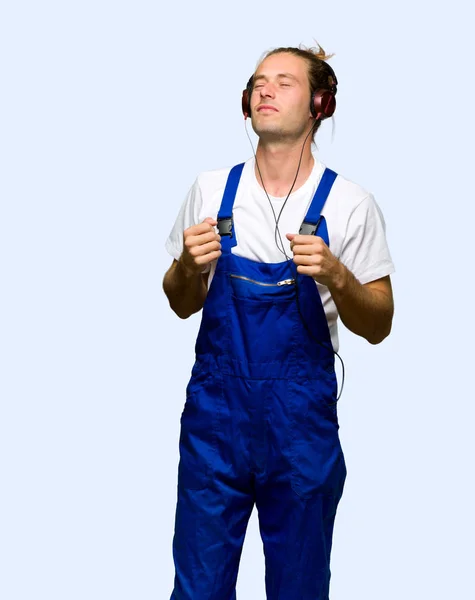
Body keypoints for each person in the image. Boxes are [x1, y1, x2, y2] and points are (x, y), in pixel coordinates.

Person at [163, 43, 395, 600]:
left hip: (301, 429)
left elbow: (380, 323)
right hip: (216, 424)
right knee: (198, 587)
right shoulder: (211, 190)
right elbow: (179, 301)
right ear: (246, 103)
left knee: (300, 586)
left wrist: (338, 276)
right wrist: (188, 267)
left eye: (284, 81)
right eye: (259, 82)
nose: (265, 89)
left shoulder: (349, 204)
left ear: (320, 102)